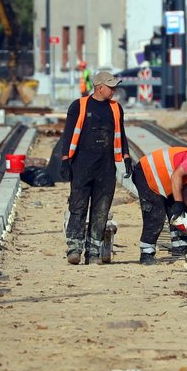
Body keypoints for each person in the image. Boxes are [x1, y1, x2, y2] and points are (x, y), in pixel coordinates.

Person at [59, 70, 132, 265]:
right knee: (78, 207)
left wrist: (126, 158)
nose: (114, 90)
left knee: (101, 211)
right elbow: (68, 135)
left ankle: (93, 252)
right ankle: (74, 249)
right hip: (81, 166)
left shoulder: (116, 109)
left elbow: (121, 134)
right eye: (111, 87)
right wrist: (65, 160)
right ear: (99, 87)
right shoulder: (79, 106)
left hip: (106, 168)